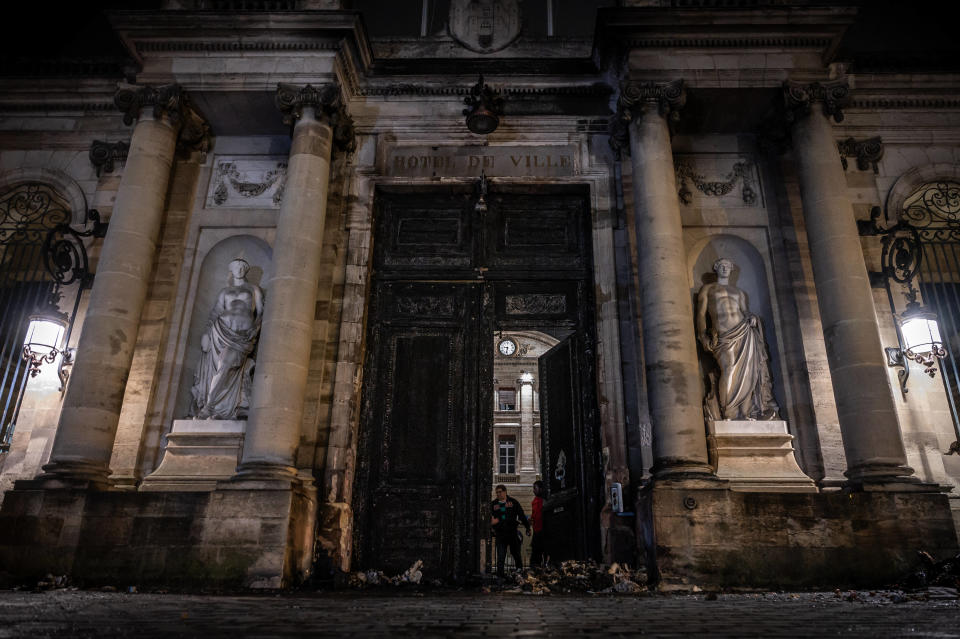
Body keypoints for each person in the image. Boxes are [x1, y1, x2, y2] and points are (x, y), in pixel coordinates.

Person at [696, 258, 779, 421]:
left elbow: (744, 311)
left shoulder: (739, 292)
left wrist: (752, 318)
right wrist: (702, 335)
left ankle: (746, 413)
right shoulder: (708, 289)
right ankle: (730, 413)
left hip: (744, 332)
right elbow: (700, 314)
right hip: (724, 336)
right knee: (729, 371)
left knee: (748, 374)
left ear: (732, 269)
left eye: (728, 266)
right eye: (722, 266)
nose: (725, 268)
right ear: (716, 268)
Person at [190, 258, 264, 420]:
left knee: (224, 365)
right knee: (219, 368)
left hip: (242, 336)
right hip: (220, 331)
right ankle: (216, 407)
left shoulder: (253, 288)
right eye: (235, 267)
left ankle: (209, 407)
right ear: (231, 270)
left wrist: (255, 329)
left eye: (242, 266)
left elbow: (260, 312)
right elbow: (215, 312)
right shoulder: (225, 291)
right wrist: (206, 335)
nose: (239, 269)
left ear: (246, 269)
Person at [491, 484, 530, 578]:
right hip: (500, 534)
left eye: (500, 492)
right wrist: (492, 527)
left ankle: (519, 572)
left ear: (505, 492)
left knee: (516, 554)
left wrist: (527, 527)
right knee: (501, 556)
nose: (498, 494)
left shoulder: (513, 502)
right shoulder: (494, 504)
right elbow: (490, 518)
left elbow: (521, 515)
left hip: (512, 533)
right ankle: (500, 576)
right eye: (497, 492)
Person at [529, 480, 547, 568]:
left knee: (537, 553)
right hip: (537, 530)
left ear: (541, 489)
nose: (533, 490)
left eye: (535, 488)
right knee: (537, 552)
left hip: (541, 530)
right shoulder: (536, 501)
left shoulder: (542, 500)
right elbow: (534, 514)